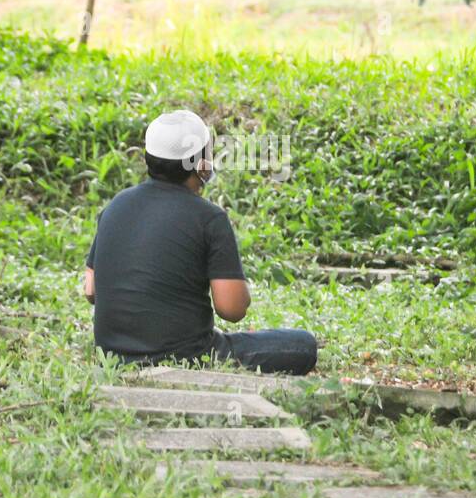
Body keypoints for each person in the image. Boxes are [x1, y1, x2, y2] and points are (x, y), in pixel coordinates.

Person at [82, 109, 317, 375]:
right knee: (302, 346)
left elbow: (91, 289)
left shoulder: (116, 205)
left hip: (113, 358)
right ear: (201, 163)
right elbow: (232, 309)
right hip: (189, 357)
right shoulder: (209, 217)